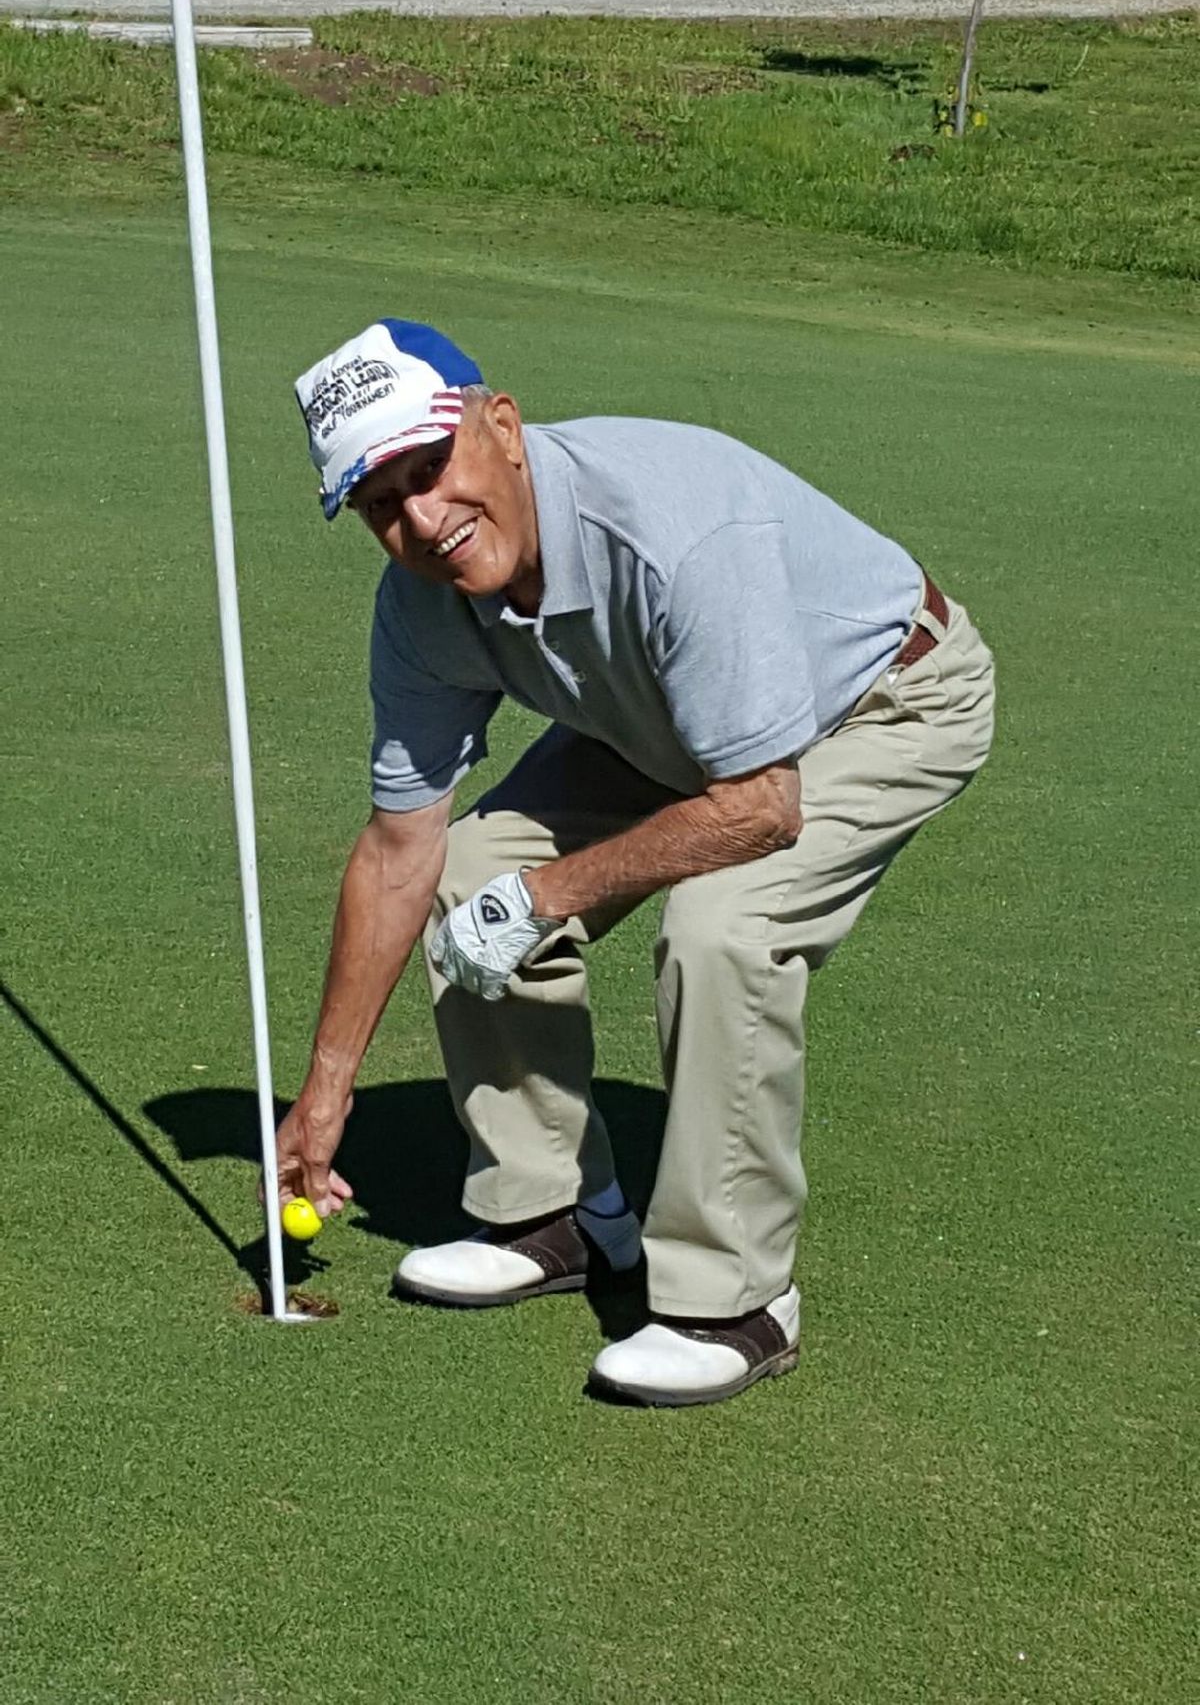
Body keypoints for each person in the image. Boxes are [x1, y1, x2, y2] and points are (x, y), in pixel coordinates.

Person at [275, 317, 994, 1407]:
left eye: (433, 468)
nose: (424, 519)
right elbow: (398, 850)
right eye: (383, 502)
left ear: (502, 426)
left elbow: (757, 808)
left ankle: (735, 1302)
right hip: (671, 720)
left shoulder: (669, 527)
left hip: (880, 702)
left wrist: (549, 895)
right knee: (470, 872)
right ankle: (551, 1212)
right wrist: (324, 1100)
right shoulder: (422, 609)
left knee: (723, 928)